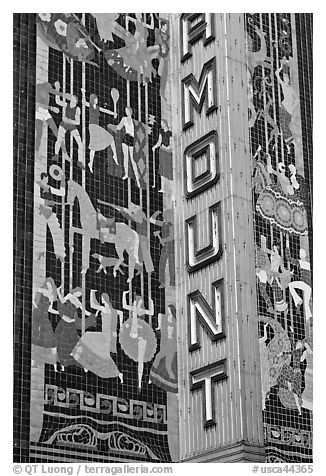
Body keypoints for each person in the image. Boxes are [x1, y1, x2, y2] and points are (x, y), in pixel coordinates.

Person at [71, 290, 123, 381]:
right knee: (87, 337)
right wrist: (92, 293)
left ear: (106, 299)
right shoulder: (112, 310)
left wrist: (92, 293)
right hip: (104, 334)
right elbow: (121, 313)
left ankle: (118, 373)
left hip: (107, 336)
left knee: (105, 356)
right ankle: (83, 359)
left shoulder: (106, 309)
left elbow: (93, 305)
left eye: (102, 299)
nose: (102, 300)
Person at [119, 291, 156, 390]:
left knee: (141, 360)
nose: (139, 302)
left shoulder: (143, 311)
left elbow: (151, 312)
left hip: (142, 335)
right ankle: (138, 382)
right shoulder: (134, 309)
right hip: (134, 332)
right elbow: (124, 305)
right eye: (138, 301)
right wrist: (124, 295)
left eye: (140, 301)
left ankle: (139, 383)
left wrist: (151, 302)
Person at [55, 286, 95, 371]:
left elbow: (83, 310)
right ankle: (63, 364)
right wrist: (58, 292)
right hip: (63, 323)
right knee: (61, 343)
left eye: (80, 295)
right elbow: (62, 301)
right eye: (78, 293)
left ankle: (83, 364)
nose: (78, 295)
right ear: (75, 291)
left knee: (75, 344)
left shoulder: (77, 301)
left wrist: (92, 315)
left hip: (71, 325)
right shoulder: (69, 296)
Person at [81, 90, 118, 173]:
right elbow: (83, 102)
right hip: (92, 126)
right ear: (93, 99)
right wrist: (83, 93)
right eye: (96, 99)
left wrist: (113, 113)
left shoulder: (98, 108)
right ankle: (90, 163)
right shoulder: (90, 105)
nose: (97, 100)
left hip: (96, 127)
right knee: (95, 145)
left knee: (108, 139)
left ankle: (91, 163)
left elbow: (106, 111)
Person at [53, 82, 85, 169]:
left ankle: (80, 161)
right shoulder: (66, 104)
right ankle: (56, 155)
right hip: (64, 124)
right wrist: (57, 90)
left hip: (71, 125)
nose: (72, 99)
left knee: (80, 144)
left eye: (73, 99)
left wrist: (70, 121)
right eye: (71, 98)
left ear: (76, 101)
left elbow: (78, 122)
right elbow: (57, 101)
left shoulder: (77, 109)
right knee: (59, 139)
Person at [36, 171, 65, 262]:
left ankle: (60, 253)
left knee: (57, 232)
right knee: (40, 232)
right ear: (44, 178)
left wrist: (63, 180)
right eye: (47, 178)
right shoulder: (37, 185)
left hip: (49, 212)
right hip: (41, 211)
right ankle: (40, 253)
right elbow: (36, 198)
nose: (48, 179)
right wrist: (48, 202)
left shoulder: (49, 187)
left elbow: (62, 193)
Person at [35, 82, 68, 159]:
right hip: (39, 113)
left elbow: (54, 92)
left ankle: (65, 152)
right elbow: (38, 105)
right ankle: (36, 152)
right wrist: (52, 108)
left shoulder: (46, 90)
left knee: (56, 131)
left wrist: (64, 95)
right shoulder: (39, 89)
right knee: (39, 133)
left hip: (45, 112)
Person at [149, 304, 177, 393]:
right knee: (158, 358)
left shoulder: (175, 321)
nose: (167, 311)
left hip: (172, 345)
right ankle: (151, 377)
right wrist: (159, 327)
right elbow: (159, 315)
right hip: (167, 343)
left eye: (169, 310)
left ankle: (174, 384)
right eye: (167, 310)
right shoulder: (166, 319)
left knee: (168, 365)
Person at [31, 278, 58, 370]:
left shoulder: (52, 296)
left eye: (50, 285)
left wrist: (58, 313)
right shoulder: (43, 290)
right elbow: (34, 300)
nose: (49, 287)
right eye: (47, 285)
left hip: (45, 316)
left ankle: (53, 361)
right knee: (37, 336)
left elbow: (49, 309)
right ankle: (34, 360)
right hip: (38, 315)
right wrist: (36, 307)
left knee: (51, 338)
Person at [285, 238, 312, 321]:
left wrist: (287, 247)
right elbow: (306, 275)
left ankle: (298, 300)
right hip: (309, 287)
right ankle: (309, 318)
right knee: (306, 303)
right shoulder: (309, 264)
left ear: (300, 256)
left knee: (290, 285)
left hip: (304, 284)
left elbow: (289, 258)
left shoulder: (299, 262)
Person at [116, 107, 140, 186]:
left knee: (133, 159)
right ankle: (126, 174)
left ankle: (137, 177)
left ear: (131, 111)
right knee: (126, 157)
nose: (127, 112)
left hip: (132, 139)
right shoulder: (124, 119)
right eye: (125, 111)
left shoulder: (134, 121)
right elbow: (119, 127)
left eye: (128, 111)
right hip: (126, 137)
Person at [152, 120, 173, 192]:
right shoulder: (161, 131)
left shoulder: (170, 133)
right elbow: (159, 141)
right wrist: (155, 147)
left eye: (163, 123)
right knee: (162, 169)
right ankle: (162, 188)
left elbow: (172, 143)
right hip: (162, 150)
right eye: (161, 124)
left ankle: (171, 189)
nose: (162, 125)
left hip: (168, 151)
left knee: (168, 169)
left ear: (165, 123)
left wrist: (170, 147)